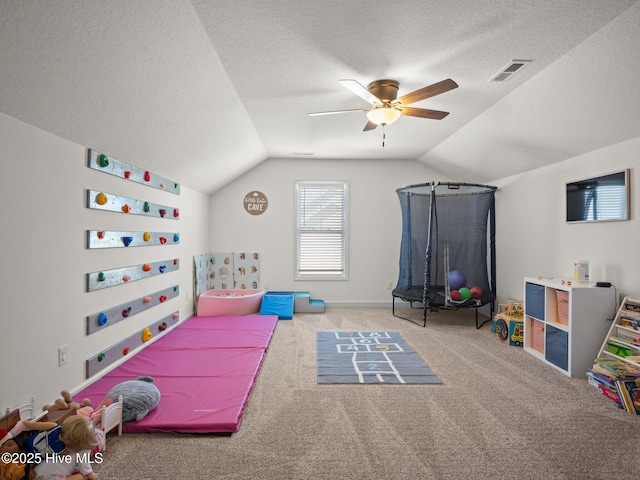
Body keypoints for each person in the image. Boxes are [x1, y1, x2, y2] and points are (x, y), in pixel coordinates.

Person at [22, 415, 100, 480]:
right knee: (80, 476)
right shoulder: (82, 448)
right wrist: (90, 474)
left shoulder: (56, 428)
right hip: (46, 470)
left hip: (37, 468)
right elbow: (85, 467)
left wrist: (24, 424)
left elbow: (34, 425)